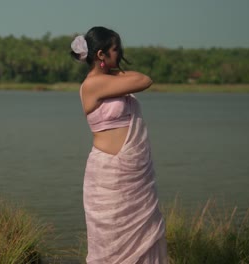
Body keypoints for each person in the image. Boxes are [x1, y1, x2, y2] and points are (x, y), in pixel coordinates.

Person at [71, 26, 168, 264]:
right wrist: (115, 73)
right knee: (111, 239)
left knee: (143, 233)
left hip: (132, 172)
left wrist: (113, 72)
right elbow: (144, 80)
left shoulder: (109, 80)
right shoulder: (94, 84)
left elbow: (139, 80)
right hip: (108, 174)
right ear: (101, 55)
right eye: (115, 50)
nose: (120, 53)